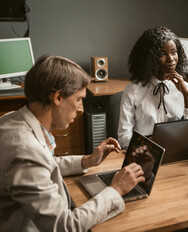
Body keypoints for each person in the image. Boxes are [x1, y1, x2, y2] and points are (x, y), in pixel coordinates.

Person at [0, 55, 146, 231]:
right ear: (58, 97)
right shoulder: (25, 151)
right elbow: (65, 226)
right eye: (78, 99)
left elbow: (43, 164)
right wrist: (116, 189)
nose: (81, 108)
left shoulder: (12, 120)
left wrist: (87, 161)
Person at [118, 26, 188, 148]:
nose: (171, 59)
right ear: (149, 58)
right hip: (144, 152)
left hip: (176, 150)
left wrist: (186, 96)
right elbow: (124, 138)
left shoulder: (186, 88)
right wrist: (147, 144)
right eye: (162, 54)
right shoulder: (133, 91)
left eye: (174, 52)